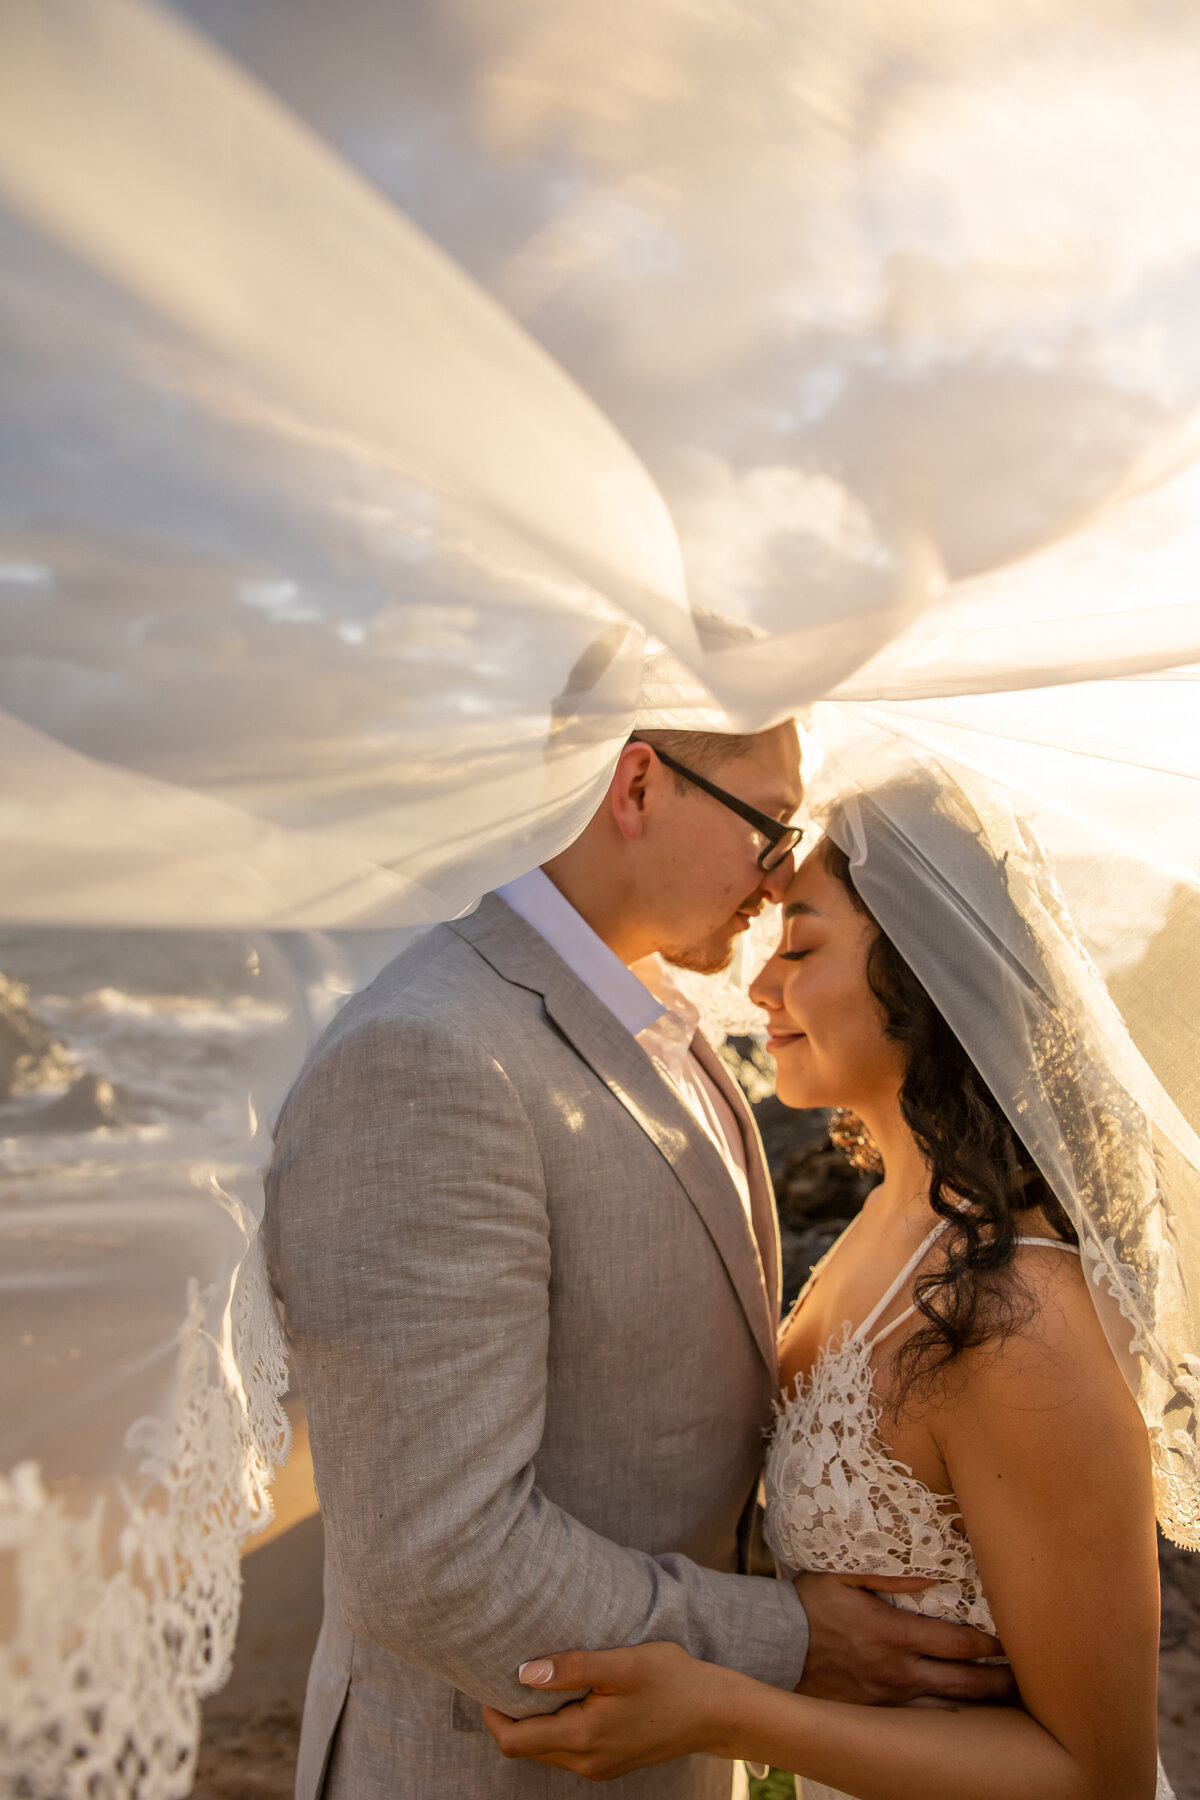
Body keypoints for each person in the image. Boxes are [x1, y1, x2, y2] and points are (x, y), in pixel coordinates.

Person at [262, 730, 1014, 1800]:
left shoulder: (656, 1020)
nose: (778, 867)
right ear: (641, 782)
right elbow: (434, 1562)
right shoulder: (429, 1053)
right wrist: (789, 1646)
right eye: (766, 821)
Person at [484, 769, 1187, 1799]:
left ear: (925, 975)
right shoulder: (892, 1223)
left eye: (801, 949)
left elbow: (1099, 1776)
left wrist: (724, 1705)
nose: (761, 990)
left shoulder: (1018, 1322)